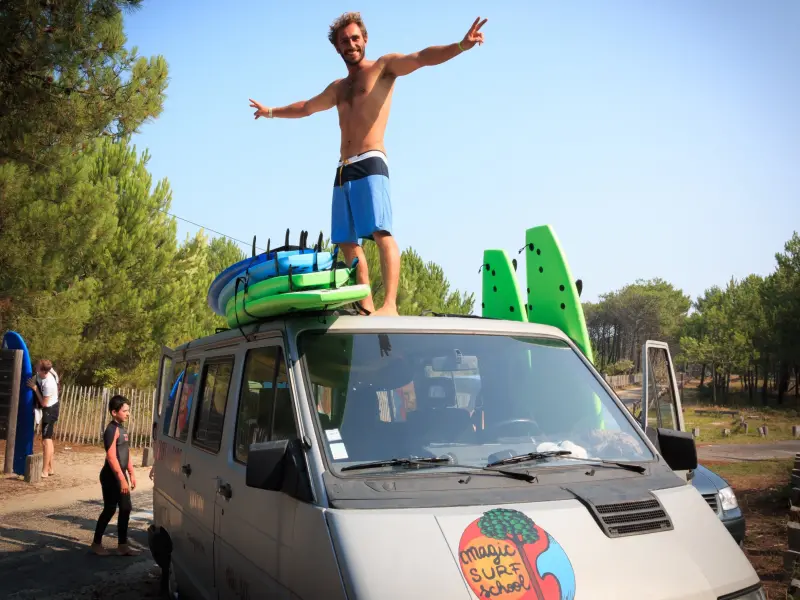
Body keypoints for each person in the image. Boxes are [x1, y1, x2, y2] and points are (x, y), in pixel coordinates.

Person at [249, 13, 487, 316]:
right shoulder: (338, 87)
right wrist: (270, 111)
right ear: (338, 49)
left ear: (364, 39)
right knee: (347, 242)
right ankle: (366, 307)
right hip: (342, 170)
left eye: (354, 38)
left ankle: (389, 305)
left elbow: (422, 58)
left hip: (370, 161)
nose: (350, 44)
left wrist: (461, 46)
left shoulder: (383, 68)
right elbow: (307, 108)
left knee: (380, 233)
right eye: (344, 42)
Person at [91, 394, 139, 556]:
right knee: (110, 509)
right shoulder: (111, 430)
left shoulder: (122, 429)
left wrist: (131, 473)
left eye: (128, 410)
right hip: (111, 476)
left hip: (120, 475)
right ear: (114, 412)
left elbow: (126, 452)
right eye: (124, 411)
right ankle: (96, 543)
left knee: (125, 508)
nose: (128, 413)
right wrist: (121, 479)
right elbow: (111, 457)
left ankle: (122, 545)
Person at [26, 359, 60, 478]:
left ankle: (45, 471)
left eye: (38, 366)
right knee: (47, 439)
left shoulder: (48, 383)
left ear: (42, 371)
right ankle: (50, 468)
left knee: (46, 441)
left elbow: (44, 403)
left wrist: (35, 389)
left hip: (50, 409)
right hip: (49, 407)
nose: (35, 366)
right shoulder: (45, 372)